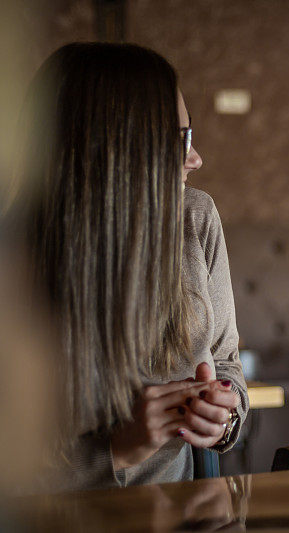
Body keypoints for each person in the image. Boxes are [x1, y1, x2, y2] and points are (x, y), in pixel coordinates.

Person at [10, 42, 248, 490]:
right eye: (180, 140)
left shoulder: (195, 220)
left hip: (183, 512)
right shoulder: (14, 263)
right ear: (117, 152)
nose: (195, 159)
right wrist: (119, 447)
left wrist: (224, 415)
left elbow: (226, 364)